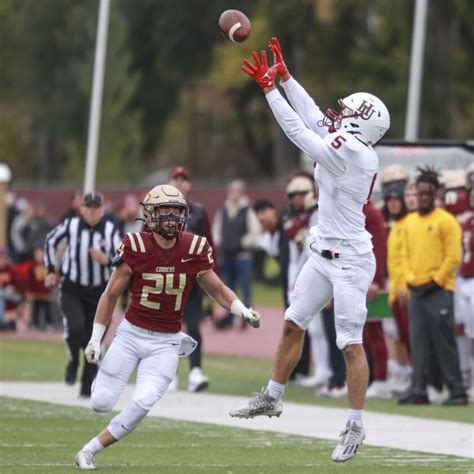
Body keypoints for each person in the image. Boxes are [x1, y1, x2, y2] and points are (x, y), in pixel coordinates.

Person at [230, 37, 390, 462]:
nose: (339, 116)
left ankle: (355, 425)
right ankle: (273, 395)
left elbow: (301, 133)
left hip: (352, 260)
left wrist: (268, 90)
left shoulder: (355, 153)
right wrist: (286, 78)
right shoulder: (348, 140)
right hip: (323, 251)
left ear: (360, 126)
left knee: (349, 344)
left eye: (348, 114)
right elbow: (316, 117)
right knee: (292, 322)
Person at [74, 184, 261, 470]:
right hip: (130, 335)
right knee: (100, 402)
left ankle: (89, 450)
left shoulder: (194, 247)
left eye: (177, 212)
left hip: (166, 342)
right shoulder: (136, 246)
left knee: (143, 402)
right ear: (150, 215)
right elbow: (110, 295)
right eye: (165, 212)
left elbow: (220, 291)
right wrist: (96, 339)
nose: (172, 218)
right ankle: (106, 384)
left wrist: (242, 310)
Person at [397, 166, 467, 406]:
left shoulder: (446, 222)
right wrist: (409, 279)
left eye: (428, 193)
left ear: (436, 194)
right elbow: (404, 254)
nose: (424, 197)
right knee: (418, 342)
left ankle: (457, 391)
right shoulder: (409, 222)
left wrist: (435, 280)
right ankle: (418, 389)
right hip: (416, 290)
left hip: (439, 290)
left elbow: (453, 257)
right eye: (421, 193)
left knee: (444, 343)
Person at [44, 192, 122, 398]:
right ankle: (73, 361)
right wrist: (51, 270)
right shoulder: (71, 225)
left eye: (97, 208)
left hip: (99, 292)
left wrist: (105, 260)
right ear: (82, 209)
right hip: (72, 288)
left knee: (93, 338)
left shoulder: (111, 229)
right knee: (76, 327)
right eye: (89, 208)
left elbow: (122, 258)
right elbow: (51, 241)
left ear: (102, 210)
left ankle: (87, 387)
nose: (93, 212)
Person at [168, 165, 216, 391]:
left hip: (192, 279)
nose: (179, 182)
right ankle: (170, 373)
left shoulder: (197, 210)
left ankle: (195, 370)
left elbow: (209, 244)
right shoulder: (161, 209)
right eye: (175, 178)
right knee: (168, 327)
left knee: (194, 325)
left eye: (183, 179)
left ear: (189, 184)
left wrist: (211, 275)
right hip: (167, 278)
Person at [212, 179, 261, 329]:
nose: (233, 194)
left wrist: (242, 243)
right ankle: (229, 318)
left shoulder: (248, 210)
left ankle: (246, 318)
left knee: (245, 289)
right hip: (227, 256)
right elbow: (216, 230)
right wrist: (222, 241)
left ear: (241, 193)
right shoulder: (223, 211)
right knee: (227, 289)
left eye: (236, 191)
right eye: (231, 191)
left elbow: (255, 231)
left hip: (242, 257)